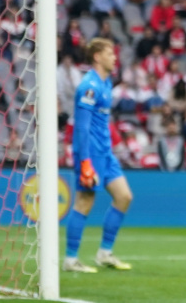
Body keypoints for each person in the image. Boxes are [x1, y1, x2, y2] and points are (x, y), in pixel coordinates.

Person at [64, 38, 133, 273]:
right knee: (84, 202)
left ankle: (104, 253)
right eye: (110, 53)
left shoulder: (106, 84)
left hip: (105, 153)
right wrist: (84, 162)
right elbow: (81, 128)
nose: (114, 57)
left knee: (124, 196)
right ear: (97, 57)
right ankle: (71, 259)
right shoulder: (89, 86)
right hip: (90, 154)